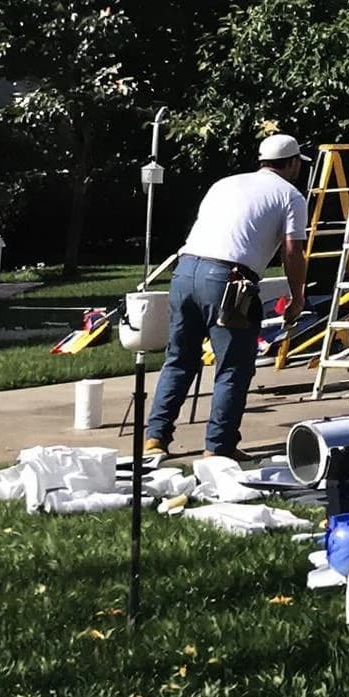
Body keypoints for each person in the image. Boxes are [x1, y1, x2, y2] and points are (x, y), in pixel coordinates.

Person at [141, 133, 311, 464]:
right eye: (297, 165)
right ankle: (217, 448)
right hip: (229, 281)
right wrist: (298, 297)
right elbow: (293, 250)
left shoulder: (225, 183)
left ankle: (155, 439)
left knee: (179, 359)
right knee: (233, 367)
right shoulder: (291, 196)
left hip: (185, 271)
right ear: (291, 163)